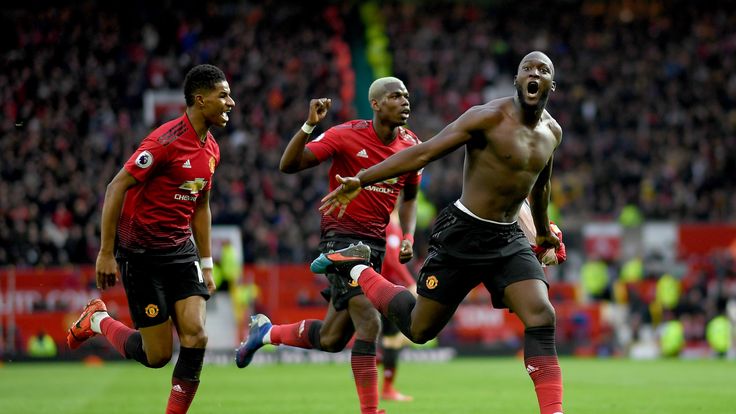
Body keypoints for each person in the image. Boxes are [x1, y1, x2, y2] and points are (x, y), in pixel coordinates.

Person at [316, 51, 566, 414]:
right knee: (418, 331)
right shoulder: (487, 117)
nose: (534, 73)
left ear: (550, 85)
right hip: (463, 233)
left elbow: (540, 188)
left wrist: (543, 234)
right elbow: (424, 152)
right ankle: (357, 268)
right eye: (527, 68)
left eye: (543, 70)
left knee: (542, 315)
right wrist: (362, 178)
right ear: (516, 80)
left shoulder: (553, 132)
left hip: (508, 238)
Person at [235, 77, 421, 414]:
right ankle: (371, 410)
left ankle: (265, 333)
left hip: (375, 244)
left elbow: (409, 198)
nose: (405, 101)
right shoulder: (346, 134)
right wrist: (309, 125)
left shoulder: (412, 145)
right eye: (395, 96)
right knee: (370, 322)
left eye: (407, 96)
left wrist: (407, 236)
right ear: (376, 104)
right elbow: (289, 165)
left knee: (333, 339)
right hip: (341, 237)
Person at [66, 64, 234, 414]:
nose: (230, 102)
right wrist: (106, 253)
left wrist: (206, 263)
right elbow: (116, 187)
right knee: (156, 356)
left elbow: (201, 207)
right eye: (223, 95)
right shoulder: (164, 142)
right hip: (141, 256)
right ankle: (97, 320)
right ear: (201, 100)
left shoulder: (212, 150)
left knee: (196, 337)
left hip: (181, 251)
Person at [378, 206, 417, 402]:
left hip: (373, 285)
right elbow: (392, 259)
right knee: (393, 340)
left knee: (389, 338)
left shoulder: (380, 224)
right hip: (385, 289)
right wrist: (410, 283)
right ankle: (387, 388)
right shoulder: (391, 226)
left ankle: (376, 358)